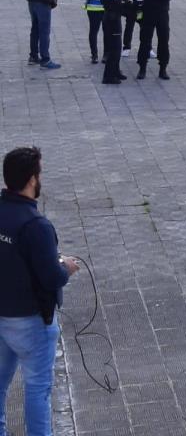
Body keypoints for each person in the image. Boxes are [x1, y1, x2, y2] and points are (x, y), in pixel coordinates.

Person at [0, 147, 79, 436]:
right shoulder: (36, 226)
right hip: (32, 322)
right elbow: (51, 278)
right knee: (37, 389)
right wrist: (66, 267)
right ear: (33, 179)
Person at [135, 0, 175, 81]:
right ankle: (142, 68)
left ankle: (163, 68)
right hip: (147, 13)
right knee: (144, 41)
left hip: (162, 14)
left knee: (164, 41)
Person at [100, 0, 127, 85]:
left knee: (117, 47)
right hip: (113, 20)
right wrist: (127, 4)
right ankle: (108, 76)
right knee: (115, 49)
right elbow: (116, 5)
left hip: (109, 17)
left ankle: (116, 71)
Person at [82, 0, 106, 64]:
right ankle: (94, 55)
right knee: (94, 32)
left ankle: (106, 54)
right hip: (94, 9)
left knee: (107, 32)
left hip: (105, 9)